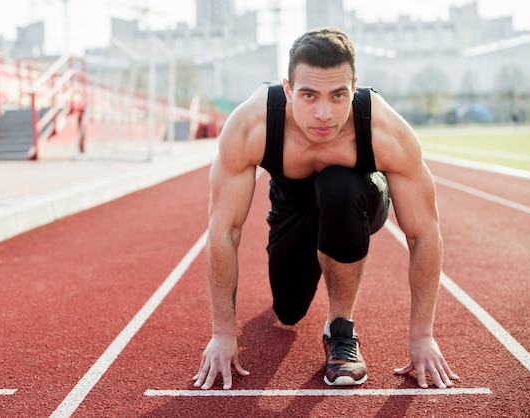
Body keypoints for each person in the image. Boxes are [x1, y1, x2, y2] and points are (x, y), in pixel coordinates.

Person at [193, 27, 459, 390]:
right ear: (287, 89)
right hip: (292, 207)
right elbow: (224, 230)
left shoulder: (384, 129)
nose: (323, 113)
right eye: (308, 95)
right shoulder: (252, 125)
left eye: (338, 95)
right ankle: (314, 260)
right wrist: (222, 333)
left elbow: (424, 232)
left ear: (354, 87)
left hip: (359, 199)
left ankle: (340, 330)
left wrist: (422, 336)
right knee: (288, 311)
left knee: (338, 185)